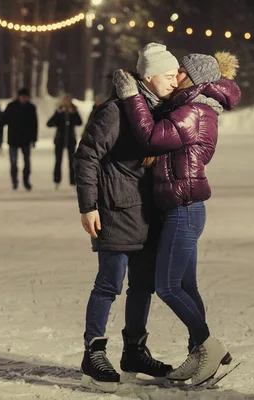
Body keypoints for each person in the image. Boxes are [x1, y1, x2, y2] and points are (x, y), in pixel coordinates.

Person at [112, 50, 241, 386]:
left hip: (183, 209)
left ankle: (209, 346)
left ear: (195, 77)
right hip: (183, 207)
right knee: (186, 286)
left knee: (167, 286)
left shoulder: (194, 111)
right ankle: (200, 354)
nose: (175, 75)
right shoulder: (190, 107)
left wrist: (130, 97)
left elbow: (152, 137)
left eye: (180, 71)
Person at [73, 42, 180, 392]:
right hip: (115, 210)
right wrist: (88, 206)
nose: (174, 82)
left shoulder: (157, 111)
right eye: (167, 76)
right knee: (109, 283)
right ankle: (94, 352)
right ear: (147, 77)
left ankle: (134, 350)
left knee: (143, 286)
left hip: (148, 212)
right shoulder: (116, 111)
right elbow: (86, 156)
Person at [0, 88, 38, 191]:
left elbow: (34, 124)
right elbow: (3, 120)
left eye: (25, 97)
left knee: (27, 162)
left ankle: (26, 181)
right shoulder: (11, 106)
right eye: (22, 97)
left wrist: (34, 139)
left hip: (26, 139)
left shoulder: (31, 108)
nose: (24, 99)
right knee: (13, 162)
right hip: (13, 139)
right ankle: (15, 181)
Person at [47, 94, 83, 190]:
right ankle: (57, 180)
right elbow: (49, 123)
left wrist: (73, 113)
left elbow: (79, 122)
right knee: (58, 161)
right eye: (65, 100)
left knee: (72, 161)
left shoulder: (74, 111)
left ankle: (72, 181)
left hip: (71, 140)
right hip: (59, 140)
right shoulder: (59, 111)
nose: (66, 102)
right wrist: (58, 114)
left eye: (68, 100)